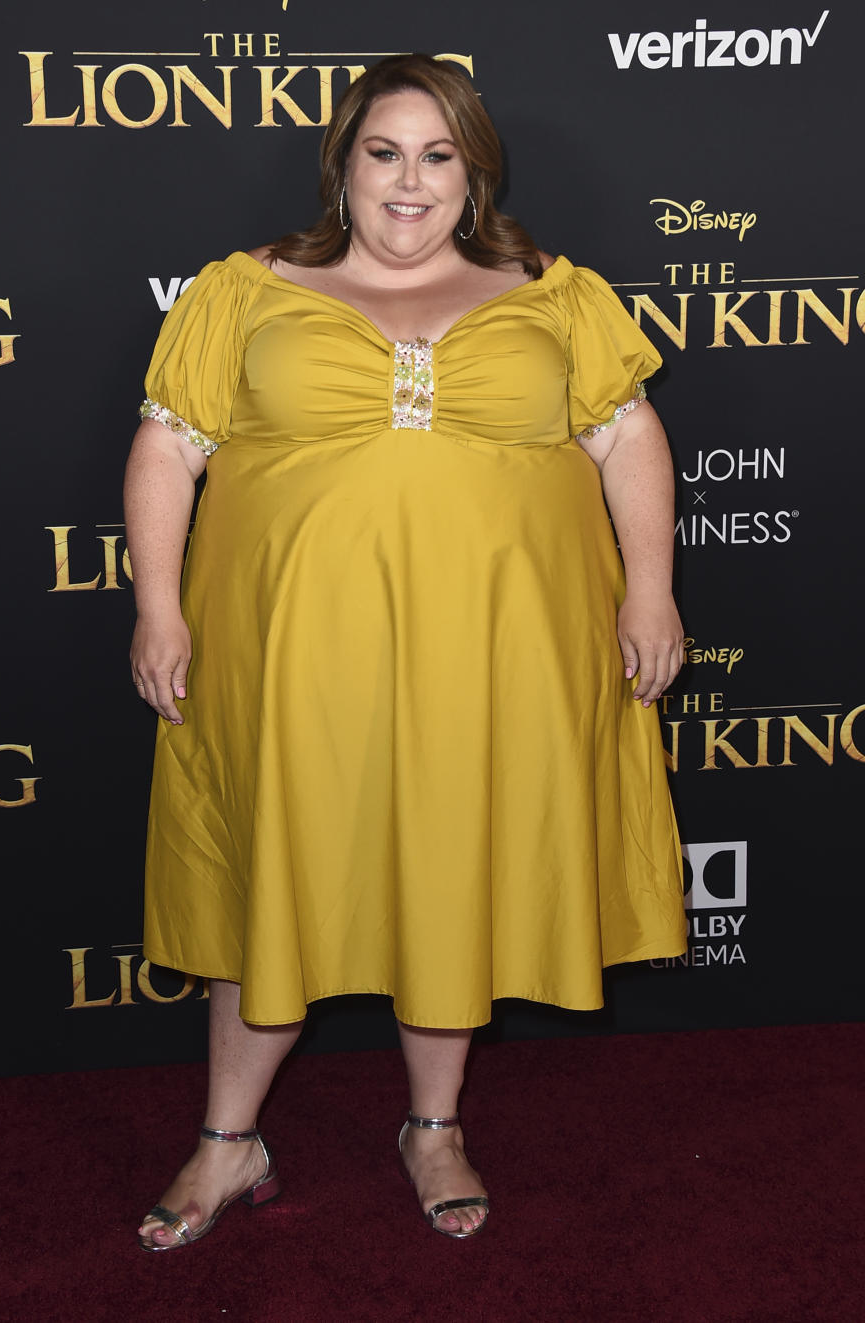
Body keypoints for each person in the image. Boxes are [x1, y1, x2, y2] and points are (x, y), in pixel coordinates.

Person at [125, 53, 687, 1250]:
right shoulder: (246, 290)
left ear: (474, 172)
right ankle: (230, 1142)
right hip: (293, 661)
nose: (410, 180)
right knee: (270, 873)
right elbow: (170, 449)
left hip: (491, 659)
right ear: (344, 165)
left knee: (450, 872)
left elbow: (628, 437)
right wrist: (159, 608)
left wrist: (652, 594)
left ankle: (432, 1128)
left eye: (439, 154)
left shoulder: (551, 291)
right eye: (385, 151)